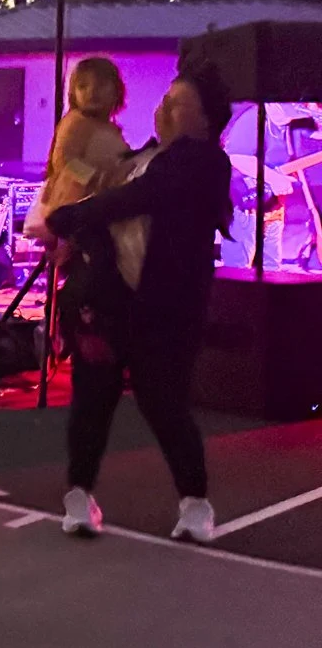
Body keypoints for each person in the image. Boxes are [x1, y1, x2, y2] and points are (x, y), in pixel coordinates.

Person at [46, 67, 234, 544]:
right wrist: (75, 230)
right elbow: (104, 207)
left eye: (178, 104)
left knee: (163, 401)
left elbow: (134, 198)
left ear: (207, 120)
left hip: (165, 308)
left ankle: (195, 503)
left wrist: (73, 216)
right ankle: (78, 495)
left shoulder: (203, 162)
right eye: (163, 100)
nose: (164, 110)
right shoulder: (138, 158)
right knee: (93, 399)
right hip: (108, 304)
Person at [24, 56, 130, 248]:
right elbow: (64, 161)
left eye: (100, 85)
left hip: (97, 207)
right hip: (77, 208)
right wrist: (97, 179)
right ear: (73, 93)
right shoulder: (76, 122)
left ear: (116, 90)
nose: (92, 92)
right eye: (83, 86)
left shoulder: (109, 128)